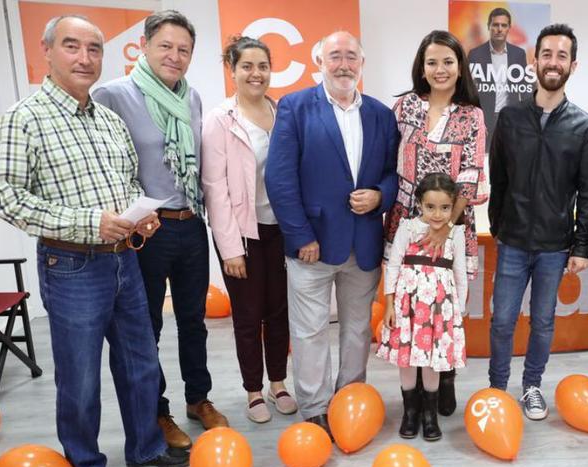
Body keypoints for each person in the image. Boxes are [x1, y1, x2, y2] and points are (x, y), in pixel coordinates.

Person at [0, 14, 188, 467]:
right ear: (47, 51)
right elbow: (6, 198)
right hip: (72, 265)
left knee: (140, 361)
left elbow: (127, 186)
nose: (85, 58)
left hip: (125, 259)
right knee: (79, 375)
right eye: (72, 47)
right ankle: (86, 464)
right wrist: (88, 222)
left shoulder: (108, 118)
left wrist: (140, 214)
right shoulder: (23, 118)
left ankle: (144, 445)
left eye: (94, 49)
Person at [93, 10, 226, 449]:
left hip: (191, 224)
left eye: (183, 49)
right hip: (146, 232)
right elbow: (106, 166)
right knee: (147, 327)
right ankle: (158, 412)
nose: (175, 56)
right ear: (145, 46)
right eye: (166, 46)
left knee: (194, 321)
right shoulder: (113, 95)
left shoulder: (192, 98)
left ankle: (198, 399)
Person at [264, 31, 399, 436]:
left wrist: (380, 195)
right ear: (318, 61)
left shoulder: (380, 113)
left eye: (351, 57)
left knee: (358, 329)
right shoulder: (294, 107)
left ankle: (350, 398)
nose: (344, 64)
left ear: (362, 63)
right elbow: (280, 178)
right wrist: (301, 235)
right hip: (312, 246)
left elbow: (394, 173)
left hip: (363, 243)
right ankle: (316, 407)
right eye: (335, 56)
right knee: (309, 332)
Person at [488, 23, 588, 420]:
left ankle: (531, 386)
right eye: (547, 54)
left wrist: (581, 245)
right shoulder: (510, 118)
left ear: (573, 64)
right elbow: (497, 176)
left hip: (555, 245)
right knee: (502, 321)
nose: (553, 62)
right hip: (513, 241)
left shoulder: (584, 126)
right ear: (535, 60)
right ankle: (497, 389)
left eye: (562, 55)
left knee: (543, 322)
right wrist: (499, 225)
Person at [387, 30, 487, 419]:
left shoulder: (472, 115)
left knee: (443, 308)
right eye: (432, 62)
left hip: (453, 225)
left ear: (460, 67)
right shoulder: (403, 108)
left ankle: (444, 379)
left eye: (448, 61)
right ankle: (414, 396)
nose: (440, 69)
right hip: (406, 225)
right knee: (412, 307)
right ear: (422, 67)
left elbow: (472, 173)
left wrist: (446, 226)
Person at [201, 36, 297, 424]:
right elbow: (215, 189)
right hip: (243, 233)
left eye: (262, 66)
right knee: (247, 315)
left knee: (279, 312)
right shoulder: (220, 119)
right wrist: (230, 250)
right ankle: (254, 391)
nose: (255, 74)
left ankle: (278, 382)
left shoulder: (283, 113)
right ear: (233, 69)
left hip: (281, 230)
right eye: (247, 66)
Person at [378, 174, 469, 442]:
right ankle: (410, 412)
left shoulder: (456, 233)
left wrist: (458, 311)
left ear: (452, 207)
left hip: (439, 309)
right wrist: (390, 303)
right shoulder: (407, 228)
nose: (437, 214)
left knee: (432, 361)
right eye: (430, 207)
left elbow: (460, 273)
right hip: (408, 306)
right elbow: (393, 265)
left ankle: (430, 415)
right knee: (407, 359)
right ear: (419, 203)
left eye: (444, 208)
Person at [467, 7, 532, 148]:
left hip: (511, 118)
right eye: (495, 25)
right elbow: (469, 88)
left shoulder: (518, 54)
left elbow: (524, 88)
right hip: (483, 119)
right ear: (489, 27)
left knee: (511, 157)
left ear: (509, 28)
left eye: (503, 25)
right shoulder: (475, 54)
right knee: (484, 157)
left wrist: (526, 117)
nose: (499, 29)